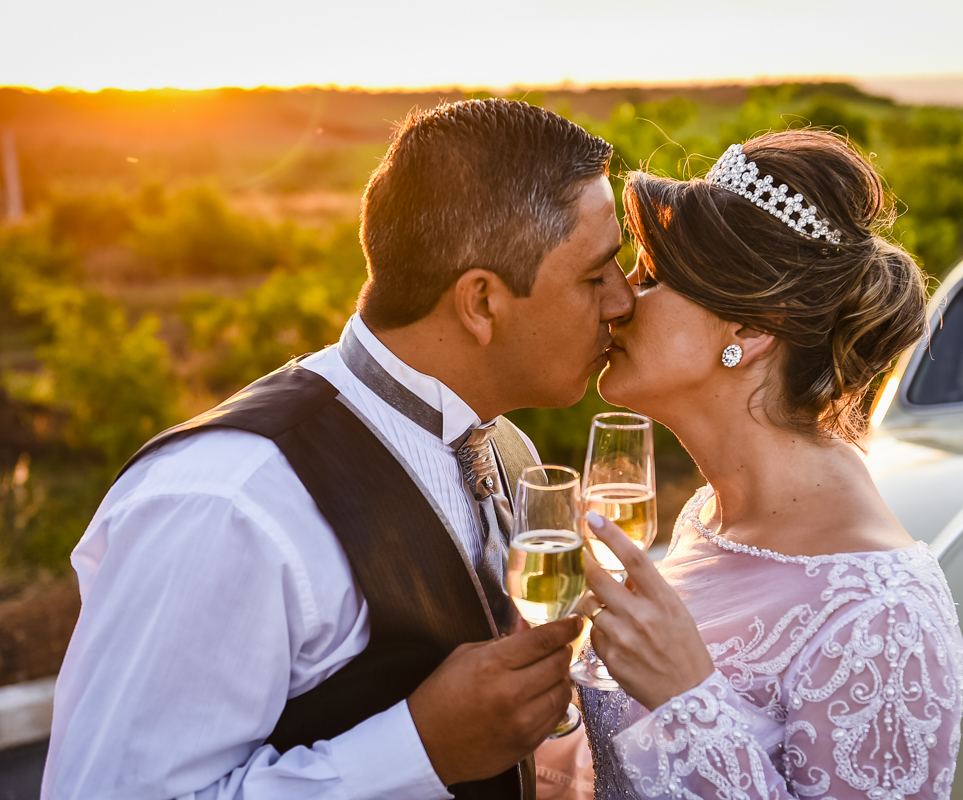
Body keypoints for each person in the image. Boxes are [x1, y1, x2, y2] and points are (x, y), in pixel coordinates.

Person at [41, 99, 634, 800]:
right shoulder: (225, 507)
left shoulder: (507, 449)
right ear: (481, 302)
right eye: (597, 275)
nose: (624, 301)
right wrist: (421, 750)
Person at [573, 130, 963, 799]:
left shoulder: (885, 621)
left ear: (752, 329)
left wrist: (686, 698)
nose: (618, 301)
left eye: (653, 277)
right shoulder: (714, 517)